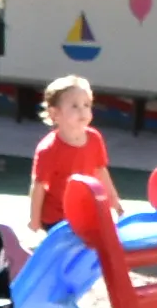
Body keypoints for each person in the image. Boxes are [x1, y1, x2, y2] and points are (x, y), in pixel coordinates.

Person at [27, 75, 116, 232]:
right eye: (74, 106)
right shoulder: (48, 149)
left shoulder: (94, 138)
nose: (82, 110)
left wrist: (113, 200)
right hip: (56, 218)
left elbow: (100, 170)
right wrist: (34, 220)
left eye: (86, 105)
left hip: (85, 211)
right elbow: (39, 186)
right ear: (55, 114)